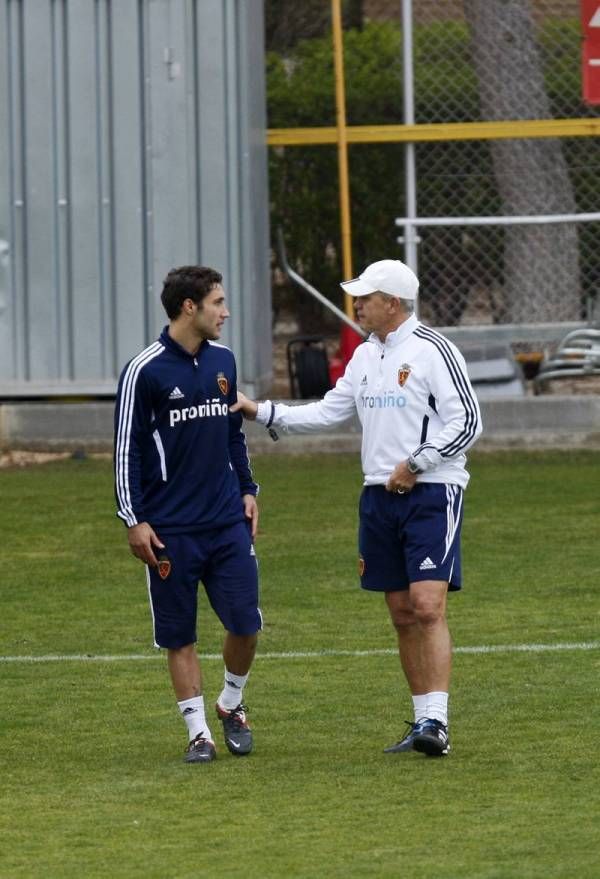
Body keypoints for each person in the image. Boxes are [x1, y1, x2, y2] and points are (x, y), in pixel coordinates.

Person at [233, 259, 482, 757]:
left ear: (392, 302)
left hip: (432, 492)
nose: (358, 305)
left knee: (428, 606)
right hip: (376, 497)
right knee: (401, 612)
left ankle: (438, 722)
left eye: (365, 297)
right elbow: (330, 409)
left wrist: (417, 463)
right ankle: (420, 721)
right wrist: (260, 411)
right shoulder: (366, 356)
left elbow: (469, 420)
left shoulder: (435, 350)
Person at [114, 265, 261, 764]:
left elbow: (232, 433)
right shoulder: (145, 370)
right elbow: (126, 451)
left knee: (246, 623)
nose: (226, 311)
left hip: (225, 522)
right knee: (180, 634)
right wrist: (133, 518)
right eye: (218, 302)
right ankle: (198, 732)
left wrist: (247, 489)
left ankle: (231, 703)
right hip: (170, 529)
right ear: (189, 308)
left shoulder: (224, 361)